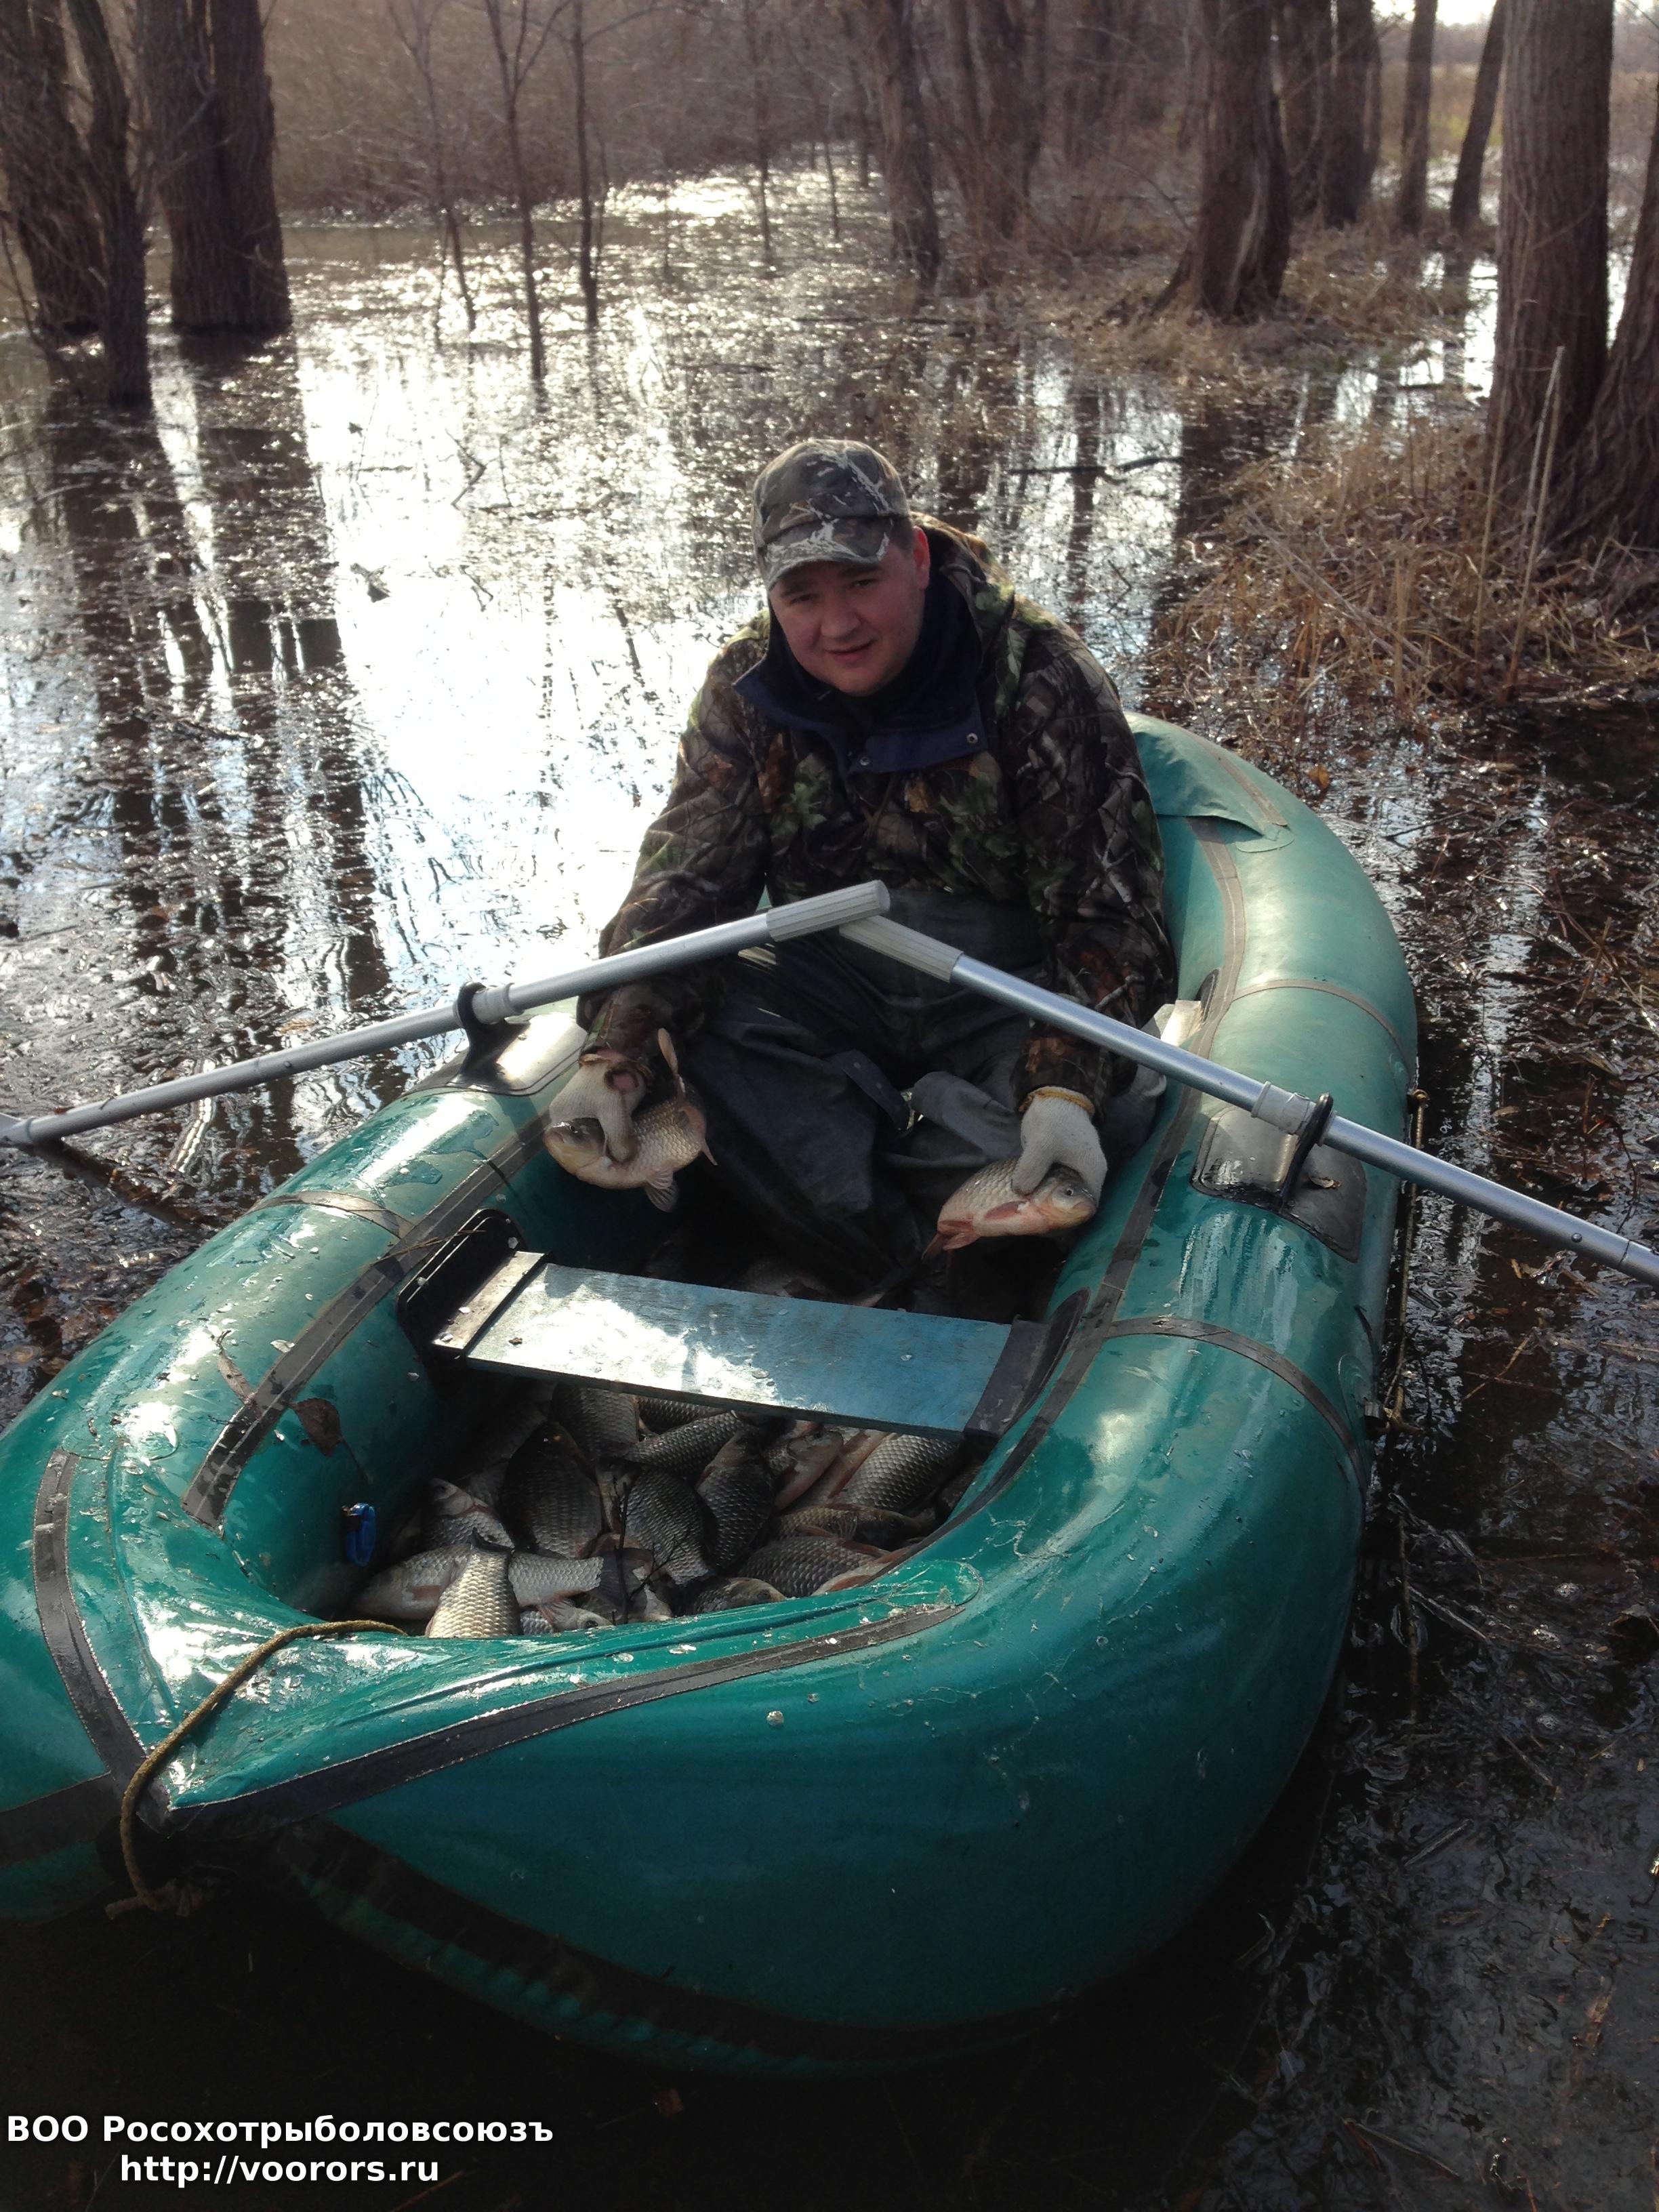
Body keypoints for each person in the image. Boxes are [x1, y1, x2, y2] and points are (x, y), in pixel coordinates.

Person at [557, 437, 1176, 1288]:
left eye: (859, 581)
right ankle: (904, 1259)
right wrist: (614, 1055)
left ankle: (863, 1227)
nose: (837, 624)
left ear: (915, 557)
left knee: (1104, 1120)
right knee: (696, 1039)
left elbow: (1107, 921)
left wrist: (1062, 1090)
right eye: (801, 595)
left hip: (1005, 991)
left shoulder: (1040, 675)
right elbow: (687, 884)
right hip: (827, 974)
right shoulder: (744, 685)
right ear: (771, 595)